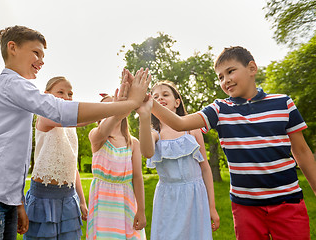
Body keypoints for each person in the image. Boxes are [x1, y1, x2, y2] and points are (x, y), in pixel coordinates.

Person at [0, 25, 151, 239]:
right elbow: (62, 112)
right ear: (12, 47)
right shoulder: (12, 84)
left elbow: (16, 159)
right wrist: (129, 103)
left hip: (3, 199)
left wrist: (17, 203)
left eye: (43, 56)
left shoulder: (18, 90)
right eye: (36, 52)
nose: (41, 61)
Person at [151, 46, 316, 240]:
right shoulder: (220, 109)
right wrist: (146, 101)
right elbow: (179, 123)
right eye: (220, 77)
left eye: (230, 71)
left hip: (288, 203)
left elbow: (302, 151)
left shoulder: (283, 104)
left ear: (252, 68)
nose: (225, 80)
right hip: (245, 207)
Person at [137, 80, 219, 240]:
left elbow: (205, 169)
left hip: (195, 196)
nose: (160, 98)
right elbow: (147, 152)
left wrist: (212, 206)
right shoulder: (155, 133)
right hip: (167, 199)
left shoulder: (192, 129)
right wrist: (144, 116)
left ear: (177, 102)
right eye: (155, 96)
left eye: (165, 94)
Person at [23, 76, 88, 240]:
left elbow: (73, 166)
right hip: (44, 198)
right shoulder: (45, 117)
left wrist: (82, 200)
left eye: (70, 94)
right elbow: (77, 118)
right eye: (61, 92)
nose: (66, 97)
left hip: (68, 198)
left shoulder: (70, 129)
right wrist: (113, 108)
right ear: (46, 94)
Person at [86, 71, 147, 239]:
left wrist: (141, 210)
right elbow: (104, 128)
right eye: (106, 108)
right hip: (103, 203)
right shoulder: (96, 136)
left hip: (126, 201)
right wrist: (117, 109)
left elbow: (137, 177)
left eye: (115, 105)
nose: (112, 109)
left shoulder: (133, 143)